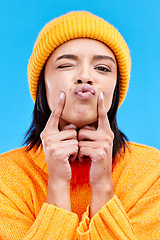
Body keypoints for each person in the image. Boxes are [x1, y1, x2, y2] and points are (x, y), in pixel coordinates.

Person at [0, 11, 159, 240]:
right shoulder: (5, 178)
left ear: (116, 87)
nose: (85, 77)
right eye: (66, 65)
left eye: (102, 68)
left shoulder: (152, 172)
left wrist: (103, 185)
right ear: (42, 82)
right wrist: (57, 186)